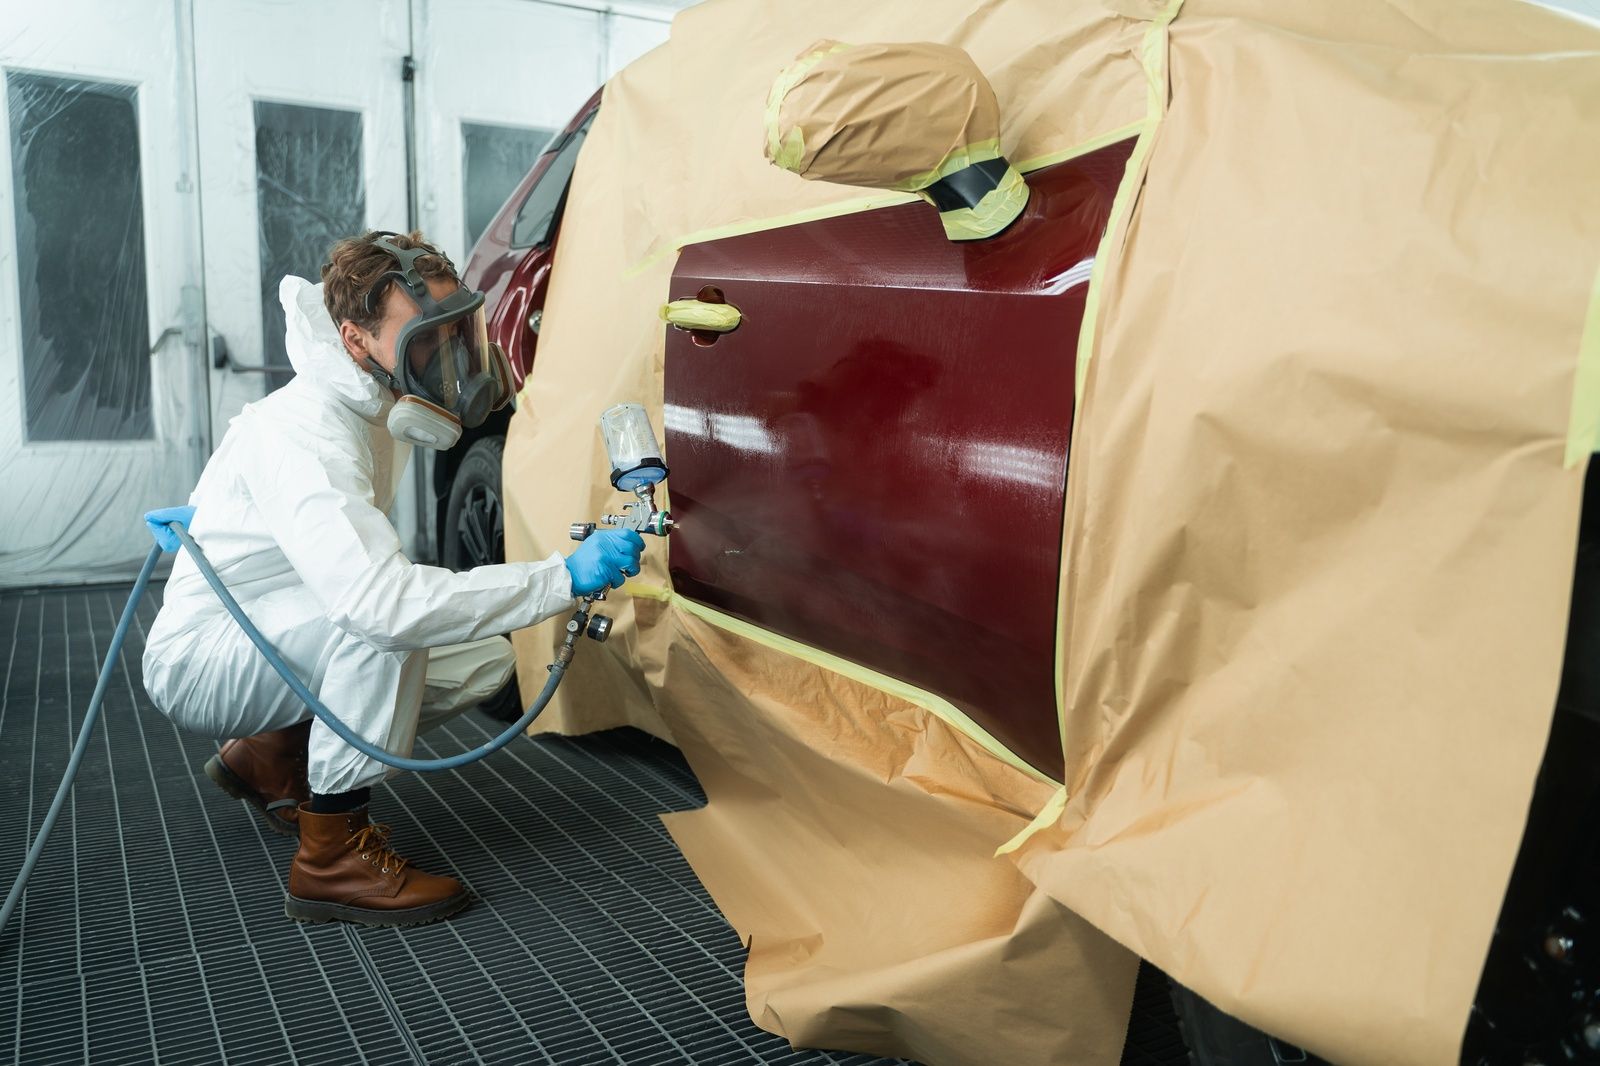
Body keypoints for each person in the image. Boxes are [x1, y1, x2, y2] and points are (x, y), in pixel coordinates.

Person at [141, 230, 644, 927]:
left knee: (480, 657)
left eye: (455, 333)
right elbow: (377, 604)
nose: (452, 363)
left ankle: (270, 753)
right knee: (385, 624)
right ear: (354, 340)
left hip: (272, 623)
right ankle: (332, 856)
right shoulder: (306, 429)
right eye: (427, 344)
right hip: (204, 658)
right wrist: (560, 578)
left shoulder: (373, 401)